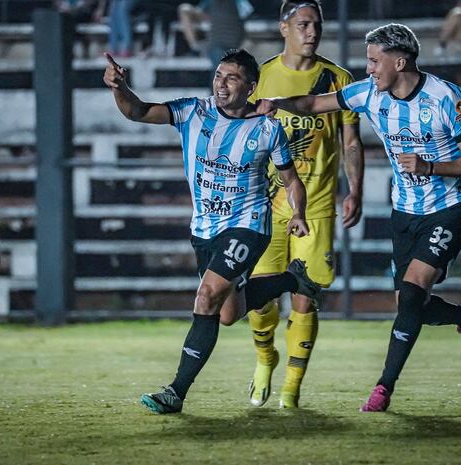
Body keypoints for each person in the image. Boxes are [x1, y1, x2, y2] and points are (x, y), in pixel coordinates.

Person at [257, 23, 461, 412]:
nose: (368, 69)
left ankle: (383, 388)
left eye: (373, 61)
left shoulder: (445, 98)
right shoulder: (369, 94)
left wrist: (430, 166)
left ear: (399, 61)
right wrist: (276, 102)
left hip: (451, 207)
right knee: (408, 304)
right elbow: (317, 104)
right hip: (404, 211)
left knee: (415, 289)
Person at [103, 48, 323, 414]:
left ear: (250, 87)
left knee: (205, 298)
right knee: (226, 314)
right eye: (219, 75)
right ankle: (291, 280)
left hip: (248, 225)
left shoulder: (268, 128)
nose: (221, 84)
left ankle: (175, 392)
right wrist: (118, 87)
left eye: (232, 77)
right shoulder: (193, 111)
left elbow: (291, 179)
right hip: (205, 228)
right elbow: (138, 111)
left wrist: (298, 212)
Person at [227, 0, 364, 410]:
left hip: (318, 203)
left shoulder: (338, 78)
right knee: (262, 298)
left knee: (306, 295)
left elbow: (352, 141)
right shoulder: (262, 76)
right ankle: (265, 358)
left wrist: (354, 189)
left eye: (317, 26)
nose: (311, 33)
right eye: (303, 25)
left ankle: (291, 386)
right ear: (283, 27)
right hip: (266, 204)